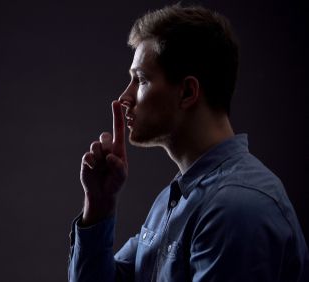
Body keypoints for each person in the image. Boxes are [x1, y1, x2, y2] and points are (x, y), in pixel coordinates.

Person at [68, 4, 308, 282]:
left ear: (187, 92)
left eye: (141, 80)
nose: (124, 97)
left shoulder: (236, 208)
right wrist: (98, 204)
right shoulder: (175, 199)